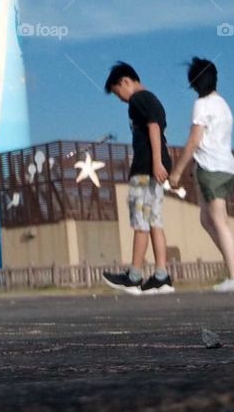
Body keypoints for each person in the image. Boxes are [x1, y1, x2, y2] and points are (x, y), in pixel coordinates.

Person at [169, 56, 234, 292]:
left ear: (194, 82)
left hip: (211, 167)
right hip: (227, 166)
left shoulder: (201, 104)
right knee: (206, 219)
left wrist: (177, 171)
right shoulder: (223, 104)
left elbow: (194, 139)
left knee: (219, 221)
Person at [101, 61, 175, 295]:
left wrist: (155, 162)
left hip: (145, 168)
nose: (120, 98)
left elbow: (153, 128)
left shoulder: (138, 99)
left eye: (117, 92)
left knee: (141, 221)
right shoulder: (154, 100)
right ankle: (161, 276)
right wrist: (161, 162)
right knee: (154, 220)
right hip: (156, 166)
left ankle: (134, 276)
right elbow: (158, 129)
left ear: (125, 82)